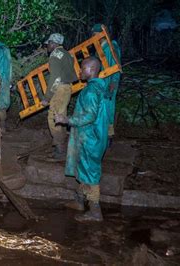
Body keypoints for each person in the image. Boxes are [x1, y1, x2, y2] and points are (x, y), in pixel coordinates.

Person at [54, 57, 110, 222]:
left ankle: (95, 212)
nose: (80, 72)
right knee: (84, 169)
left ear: (91, 70)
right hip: (96, 136)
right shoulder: (101, 88)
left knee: (90, 174)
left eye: (82, 68)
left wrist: (67, 120)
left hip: (89, 138)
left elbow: (89, 116)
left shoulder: (91, 91)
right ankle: (79, 201)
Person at [41, 33, 78, 160]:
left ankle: (59, 148)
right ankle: (62, 145)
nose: (47, 47)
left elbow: (55, 78)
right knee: (61, 116)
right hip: (67, 88)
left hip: (60, 89)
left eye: (48, 44)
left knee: (53, 118)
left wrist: (47, 97)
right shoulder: (68, 54)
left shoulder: (55, 56)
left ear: (53, 43)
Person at [92, 24, 122, 142]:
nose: (93, 37)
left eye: (95, 34)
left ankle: (108, 137)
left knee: (107, 107)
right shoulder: (100, 48)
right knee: (99, 107)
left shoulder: (111, 46)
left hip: (108, 83)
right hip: (100, 82)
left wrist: (114, 81)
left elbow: (116, 65)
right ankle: (100, 134)